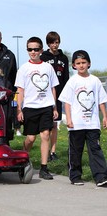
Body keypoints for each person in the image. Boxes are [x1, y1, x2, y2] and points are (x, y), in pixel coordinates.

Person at [58, 50, 107, 186]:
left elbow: (101, 100)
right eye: (78, 63)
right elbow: (66, 102)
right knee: (75, 150)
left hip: (92, 123)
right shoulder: (73, 81)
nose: (81, 65)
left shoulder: (95, 80)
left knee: (95, 149)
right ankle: (75, 175)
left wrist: (104, 117)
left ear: (89, 63)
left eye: (83, 63)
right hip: (77, 123)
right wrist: (69, 119)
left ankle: (101, 177)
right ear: (73, 65)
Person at [15, 37, 59, 180]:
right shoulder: (23, 69)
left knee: (45, 135)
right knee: (31, 138)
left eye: (35, 49)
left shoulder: (48, 67)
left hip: (46, 106)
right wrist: (19, 109)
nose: (33, 52)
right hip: (30, 107)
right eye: (30, 49)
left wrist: (54, 107)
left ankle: (44, 168)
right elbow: (20, 91)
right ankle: (23, 158)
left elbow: (52, 88)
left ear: (41, 50)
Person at [40, 31, 69, 161]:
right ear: (48, 44)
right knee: (47, 123)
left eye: (56, 42)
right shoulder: (44, 57)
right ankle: (45, 149)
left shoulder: (64, 58)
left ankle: (53, 151)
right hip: (46, 93)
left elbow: (66, 76)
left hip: (60, 92)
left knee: (55, 124)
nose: (55, 45)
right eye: (52, 42)